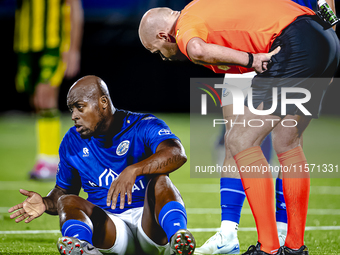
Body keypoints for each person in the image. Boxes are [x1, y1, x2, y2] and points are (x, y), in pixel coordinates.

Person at [138, 0, 340, 254]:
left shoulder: (185, 25)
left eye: (157, 51)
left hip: (293, 42)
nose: (162, 57)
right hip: (324, 36)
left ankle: (268, 247)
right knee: (288, 142)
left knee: (240, 140)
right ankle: (294, 247)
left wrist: (253, 59)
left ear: (163, 35)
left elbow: (198, 49)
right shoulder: (200, 6)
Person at [8, 75, 196, 255]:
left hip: (150, 224)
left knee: (161, 181)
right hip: (111, 229)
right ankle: (82, 248)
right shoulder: (71, 141)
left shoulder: (142, 125)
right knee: (67, 201)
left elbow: (176, 153)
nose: (74, 116)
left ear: (103, 103)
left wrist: (134, 170)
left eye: (80, 107)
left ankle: (177, 239)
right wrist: (45, 202)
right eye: (71, 109)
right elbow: (63, 191)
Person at [14, 0, 83, 180]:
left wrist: (73, 49)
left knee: (46, 96)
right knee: (37, 100)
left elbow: (74, 8)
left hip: (53, 43)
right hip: (25, 43)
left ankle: (52, 161)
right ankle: (44, 158)